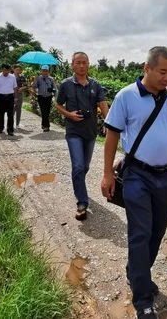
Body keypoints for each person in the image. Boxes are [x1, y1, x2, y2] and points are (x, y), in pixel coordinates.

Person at [101, 46, 167, 319]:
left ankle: (137, 274)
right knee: (140, 233)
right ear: (146, 68)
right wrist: (107, 174)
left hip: (166, 176)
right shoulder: (126, 96)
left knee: (157, 232)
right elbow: (111, 136)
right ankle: (143, 299)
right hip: (136, 175)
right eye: (163, 71)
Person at [55, 52, 109, 221]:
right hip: (73, 132)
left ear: (88, 64)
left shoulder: (95, 84)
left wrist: (108, 122)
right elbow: (58, 104)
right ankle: (82, 202)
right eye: (78, 62)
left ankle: (79, 185)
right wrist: (69, 115)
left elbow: (102, 104)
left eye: (84, 62)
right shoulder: (65, 85)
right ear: (72, 64)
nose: (81, 65)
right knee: (78, 166)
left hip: (91, 132)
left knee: (84, 167)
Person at [0, 64, 18, 135]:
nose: (6, 72)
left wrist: (15, 97)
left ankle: (10, 130)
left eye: (8, 70)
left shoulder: (12, 77)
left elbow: (15, 87)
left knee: (10, 115)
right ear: (2, 69)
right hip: (0, 97)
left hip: (10, 97)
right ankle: (1, 128)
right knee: (0, 114)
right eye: (5, 70)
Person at [32, 65, 57, 132]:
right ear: (41, 71)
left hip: (49, 97)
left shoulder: (51, 79)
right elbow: (34, 86)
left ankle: (43, 124)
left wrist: (52, 90)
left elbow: (55, 88)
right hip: (41, 97)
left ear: (48, 71)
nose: (45, 72)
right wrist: (35, 80)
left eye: (46, 71)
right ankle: (47, 126)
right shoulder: (38, 78)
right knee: (43, 112)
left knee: (47, 112)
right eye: (43, 71)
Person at [13, 64, 28, 129]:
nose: (18, 71)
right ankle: (10, 123)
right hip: (11, 94)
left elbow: (26, 86)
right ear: (14, 70)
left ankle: (17, 124)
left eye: (19, 70)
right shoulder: (10, 77)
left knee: (18, 109)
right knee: (12, 110)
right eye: (17, 70)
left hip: (19, 94)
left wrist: (22, 88)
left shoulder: (22, 77)